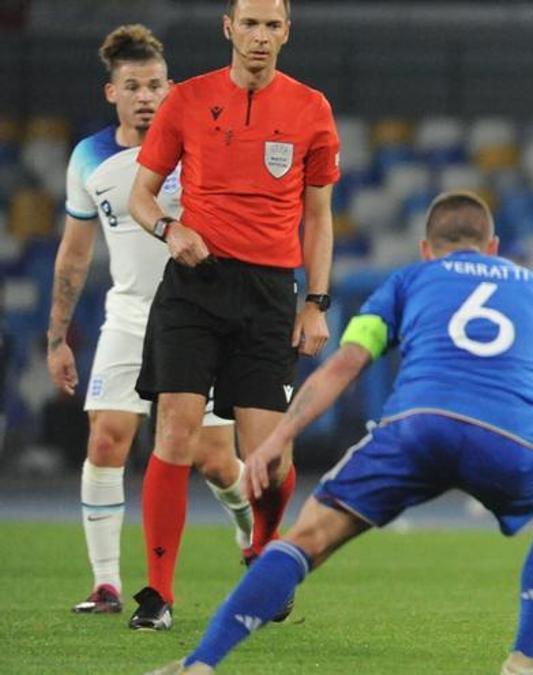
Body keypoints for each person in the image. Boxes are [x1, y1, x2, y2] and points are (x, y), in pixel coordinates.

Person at [149, 191, 533, 675]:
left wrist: (280, 437)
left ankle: (201, 663)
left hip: (415, 430)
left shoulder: (407, 282)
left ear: (425, 250)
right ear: (495, 248)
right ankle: (527, 659)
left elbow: (344, 366)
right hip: (508, 438)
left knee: (308, 538)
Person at [125, 0, 340, 630]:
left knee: (266, 454)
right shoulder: (186, 100)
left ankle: (262, 556)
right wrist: (170, 229)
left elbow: (319, 215)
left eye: (273, 25)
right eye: (250, 23)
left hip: (270, 293)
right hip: (195, 284)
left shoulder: (311, 108)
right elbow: (142, 195)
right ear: (229, 28)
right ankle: (158, 594)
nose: (261, 36)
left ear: (287, 34)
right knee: (175, 430)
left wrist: (316, 302)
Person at [46, 24, 253, 616]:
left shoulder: (201, 145)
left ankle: (248, 534)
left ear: (172, 88)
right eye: (132, 85)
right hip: (131, 318)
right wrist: (58, 337)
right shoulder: (89, 157)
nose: (145, 95)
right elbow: (75, 252)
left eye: (155, 85)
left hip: (201, 319)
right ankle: (107, 583)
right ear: (112, 92)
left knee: (214, 459)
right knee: (107, 440)